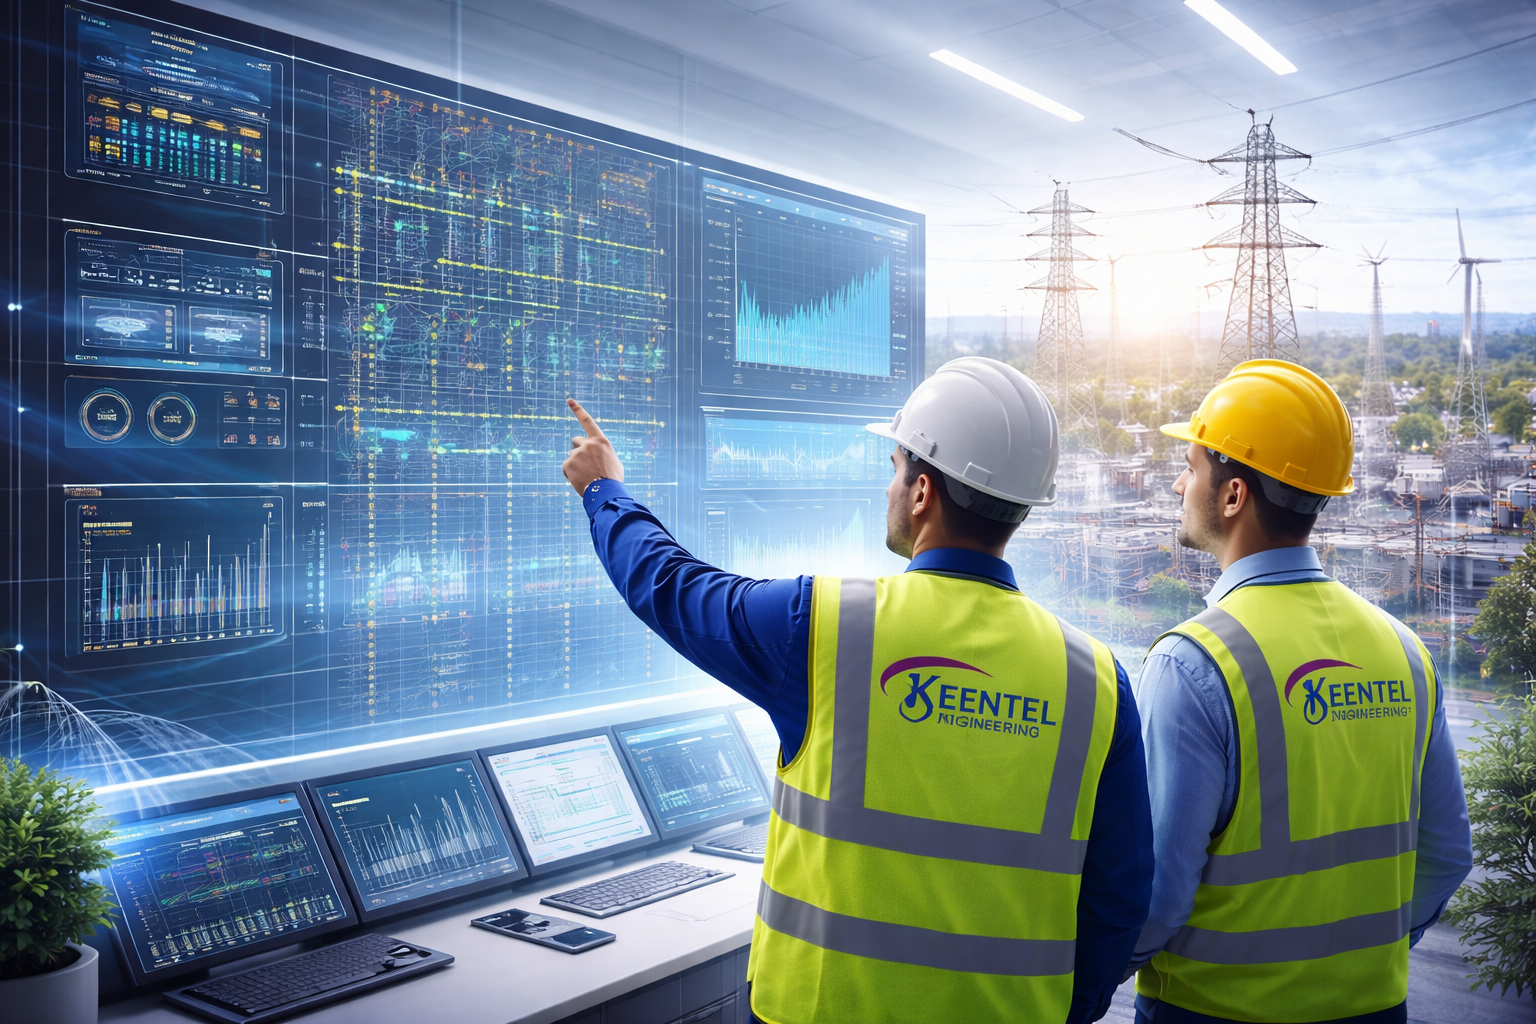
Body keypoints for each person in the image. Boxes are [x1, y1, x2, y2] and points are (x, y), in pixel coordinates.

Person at [561, 357, 1152, 1024]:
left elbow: (670, 589)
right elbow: (1121, 899)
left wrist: (604, 491)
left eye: (895, 467)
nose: (890, 485)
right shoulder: (1096, 680)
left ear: (923, 490)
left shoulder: (820, 630)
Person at [1128, 360, 1474, 1024]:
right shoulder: (1403, 650)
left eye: (1192, 467)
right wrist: (1363, 958)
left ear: (1232, 496)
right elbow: (1448, 852)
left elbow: (1159, 898)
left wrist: (1090, 980)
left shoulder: (1194, 663)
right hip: (1374, 1008)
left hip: (1211, 1011)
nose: (1178, 483)